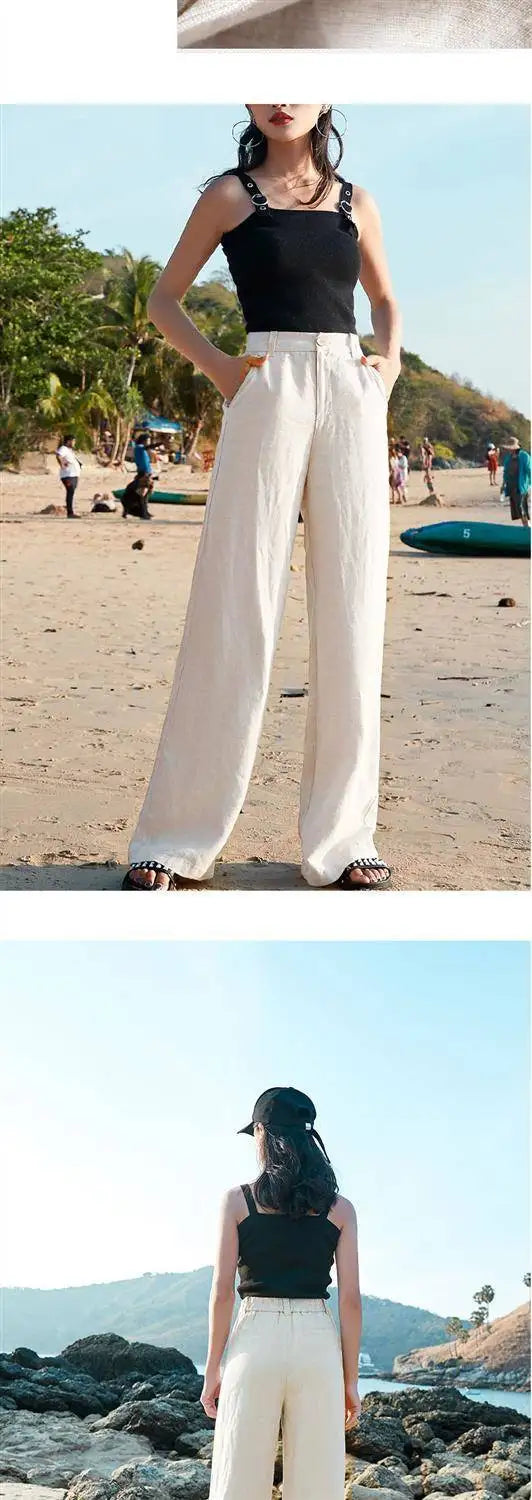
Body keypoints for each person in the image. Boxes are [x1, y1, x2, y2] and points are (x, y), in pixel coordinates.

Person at [122, 104, 401, 892]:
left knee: (353, 610)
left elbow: (384, 300)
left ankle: (345, 840)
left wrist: (388, 367)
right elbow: (163, 299)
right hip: (266, 383)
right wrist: (220, 371)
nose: (280, 96)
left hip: (349, 388)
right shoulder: (228, 195)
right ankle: (175, 838)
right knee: (233, 602)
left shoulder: (355, 200)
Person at [201, 1086, 361, 1500]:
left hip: (255, 1338)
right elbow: (350, 1300)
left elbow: (221, 1293)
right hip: (317, 1342)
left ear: (262, 1133)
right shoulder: (340, 1210)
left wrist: (212, 1369)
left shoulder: (238, 1201)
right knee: (317, 1485)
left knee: (238, 1479)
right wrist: (350, 1381)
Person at [501, 438, 531, 527]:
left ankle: (528, 528)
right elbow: (506, 472)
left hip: (521, 487)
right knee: (518, 510)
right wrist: (503, 485)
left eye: (510, 448)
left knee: (522, 509)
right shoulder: (508, 458)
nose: (509, 450)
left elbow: (530, 471)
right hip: (511, 487)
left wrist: (529, 484)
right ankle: (525, 526)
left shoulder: (524, 456)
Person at [55, 433, 81, 517]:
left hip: (73, 475)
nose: (74, 443)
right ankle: (70, 513)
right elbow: (58, 456)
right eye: (73, 441)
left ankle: (70, 510)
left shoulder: (69, 450)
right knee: (70, 492)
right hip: (68, 475)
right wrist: (61, 464)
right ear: (68, 441)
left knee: (71, 492)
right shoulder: (63, 448)